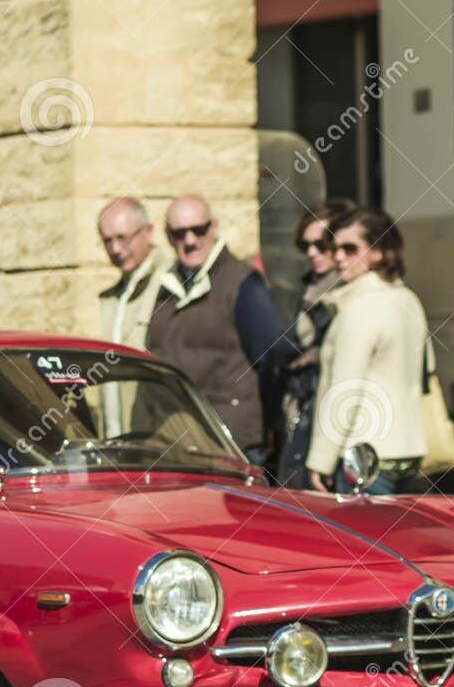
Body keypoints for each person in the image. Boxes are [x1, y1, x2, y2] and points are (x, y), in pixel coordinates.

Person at [145, 194, 295, 461]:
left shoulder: (243, 283)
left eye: (198, 230)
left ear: (214, 226)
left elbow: (272, 357)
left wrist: (268, 427)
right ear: (168, 236)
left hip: (232, 445)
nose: (190, 241)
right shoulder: (166, 285)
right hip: (176, 440)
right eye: (179, 233)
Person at [305, 207, 429, 496]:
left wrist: (320, 462)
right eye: (334, 249)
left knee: (355, 541)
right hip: (408, 451)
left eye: (350, 249)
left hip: (364, 456)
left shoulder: (361, 307)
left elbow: (346, 391)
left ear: (379, 252)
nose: (338, 258)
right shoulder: (409, 300)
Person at [274, 198, 355, 487]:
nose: (312, 253)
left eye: (321, 245)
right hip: (300, 407)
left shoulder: (348, 290)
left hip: (331, 416)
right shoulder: (308, 287)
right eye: (305, 246)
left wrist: (317, 355)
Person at [95, 197, 164, 348]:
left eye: (122, 238)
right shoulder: (110, 299)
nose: (115, 249)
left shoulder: (170, 282)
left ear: (148, 232)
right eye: (108, 241)